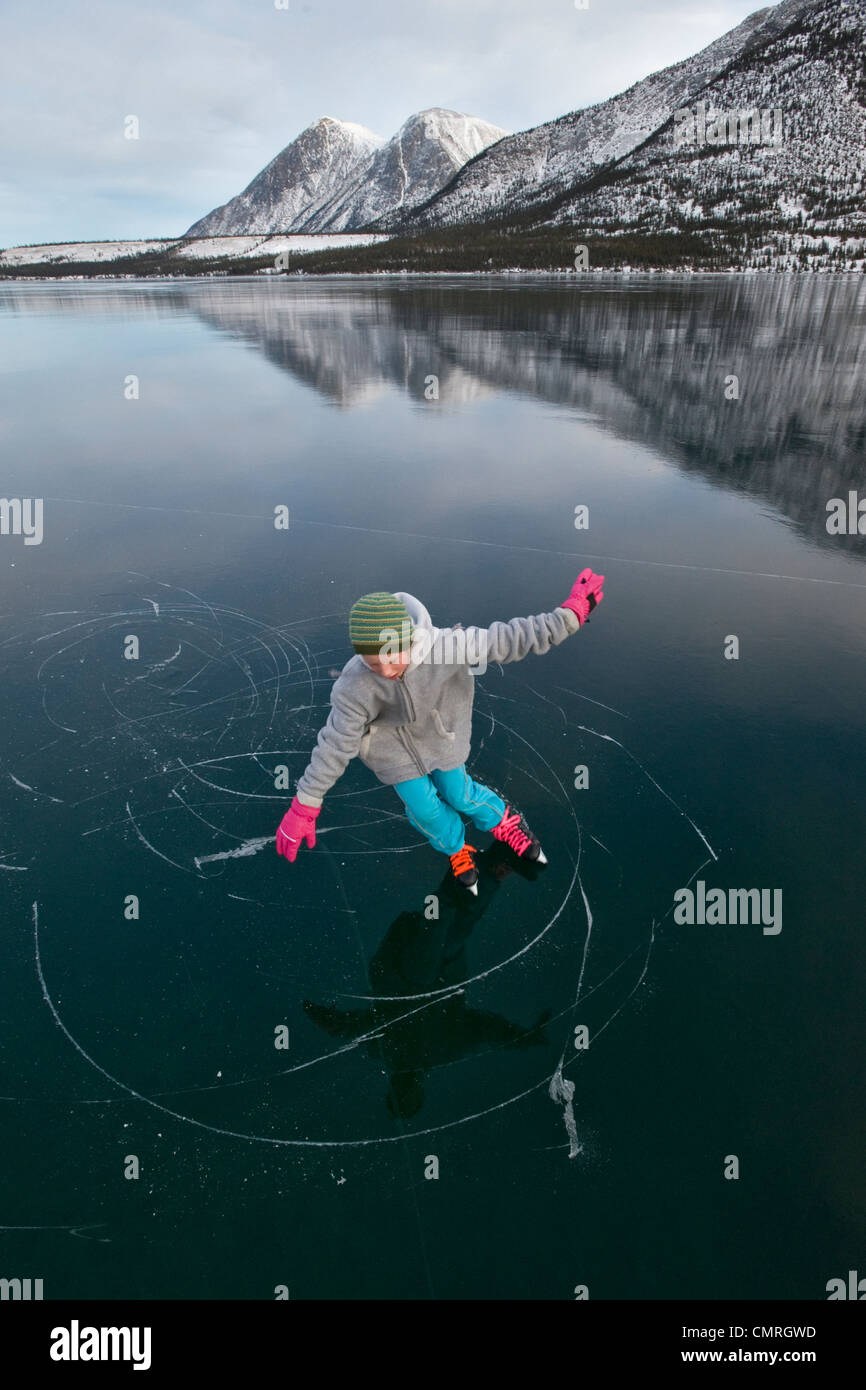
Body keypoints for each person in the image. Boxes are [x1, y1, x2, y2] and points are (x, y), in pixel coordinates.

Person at [276, 571, 605, 893]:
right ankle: (455, 848)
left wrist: (569, 617)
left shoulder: (446, 647)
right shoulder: (355, 684)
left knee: (459, 793)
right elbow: (335, 742)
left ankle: (503, 822)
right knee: (424, 809)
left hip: (442, 740)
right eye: (374, 664)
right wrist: (306, 803)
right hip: (393, 755)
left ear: (408, 640)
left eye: (392, 658)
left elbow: (506, 639)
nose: (386, 671)